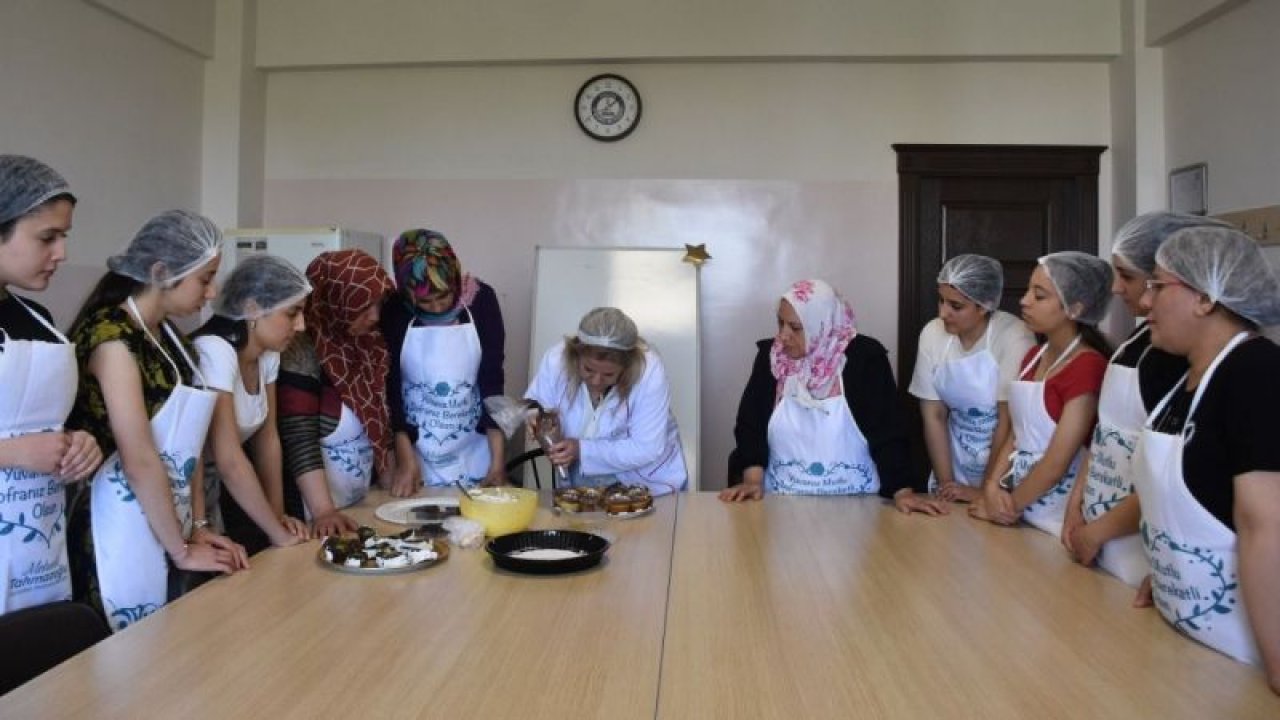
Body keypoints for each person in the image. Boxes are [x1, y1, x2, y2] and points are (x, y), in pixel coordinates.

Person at [67, 210, 247, 630]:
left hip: (171, 520)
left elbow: (190, 445)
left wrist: (198, 527)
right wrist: (181, 551)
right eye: (205, 279)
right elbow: (139, 459)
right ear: (163, 272)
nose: (211, 292)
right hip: (117, 526)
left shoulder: (170, 338)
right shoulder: (111, 337)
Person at [1131, 226, 1280, 692]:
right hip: (1188, 634)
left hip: (1244, 651)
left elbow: (1265, 523)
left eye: (1157, 285)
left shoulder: (1255, 371)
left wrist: (1278, 661)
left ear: (1206, 298)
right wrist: (1173, 571)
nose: (1144, 302)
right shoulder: (1180, 375)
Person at [1061, 213, 1228, 586]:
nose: (1117, 288)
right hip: (1096, 538)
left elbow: (1167, 472)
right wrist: (1077, 505)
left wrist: (1100, 530)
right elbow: (1105, 436)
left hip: (1138, 550)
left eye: (1129, 277)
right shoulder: (1141, 341)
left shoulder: (1177, 360)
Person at [0, 155, 102, 615]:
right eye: (47, 238)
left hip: (39, 551)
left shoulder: (38, 320)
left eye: (64, 237)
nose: (60, 253)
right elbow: (24, 442)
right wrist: (14, 452)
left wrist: (81, 443)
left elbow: (52, 424)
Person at [721, 279, 924, 508]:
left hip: (860, 505)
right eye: (780, 323)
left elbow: (889, 430)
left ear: (823, 324)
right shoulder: (772, 357)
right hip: (781, 504)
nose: (784, 336)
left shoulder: (864, 358)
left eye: (796, 328)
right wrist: (752, 480)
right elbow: (751, 424)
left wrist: (902, 491)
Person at [970, 251, 1112, 536]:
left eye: (1039, 295)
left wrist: (1006, 507)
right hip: (1019, 513)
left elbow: (1056, 463)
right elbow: (1015, 434)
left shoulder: (1088, 366)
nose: (1024, 301)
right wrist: (991, 487)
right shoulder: (1034, 356)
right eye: (1027, 291)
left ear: (1075, 308)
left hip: (1057, 520)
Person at [278, 250, 406, 536]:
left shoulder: (369, 345)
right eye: (363, 306)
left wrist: (389, 491)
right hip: (314, 516)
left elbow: (380, 421)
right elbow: (299, 438)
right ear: (336, 301)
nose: (374, 316)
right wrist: (324, 511)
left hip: (357, 504)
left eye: (378, 304)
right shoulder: (300, 350)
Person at [193, 255, 313, 555]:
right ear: (252, 308)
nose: (300, 326)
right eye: (292, 313)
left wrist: (278, 516)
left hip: (219, 489)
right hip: (188, 490)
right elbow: (229, 458)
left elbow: (267, 439)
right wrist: (277, 535)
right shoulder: (214, 351)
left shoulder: (267, 354)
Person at [382, 229, 507, 493]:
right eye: (427, 301)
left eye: (444, 296)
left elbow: (493, 382)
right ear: (408, 294)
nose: (438, 308)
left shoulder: (482, 301)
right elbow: (390, 389)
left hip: (474, 453)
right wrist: (405, 460)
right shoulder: (394, 309)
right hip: (416, 456)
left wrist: (498, 463)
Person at [904, 254, 1034, 506]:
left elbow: (1008, 422)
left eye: (956, 306)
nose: (943, 313)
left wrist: (987, 490)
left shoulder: (1014, 336)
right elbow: (934, 416)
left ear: (984, 305)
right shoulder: (932, 334)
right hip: (955, 459)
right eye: (941, 301)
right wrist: (947, 485)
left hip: (1003, 469)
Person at [526, 307, 687, 495]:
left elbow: (646, 447)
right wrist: (537, 417)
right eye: (588, 370)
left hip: (649, 483)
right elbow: (536, 402)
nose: (596, 381)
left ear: (627, 366)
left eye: (608, 374)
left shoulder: (648, 370)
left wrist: (581, 450)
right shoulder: (557, 358)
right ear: (576, 355)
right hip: (582, 481)